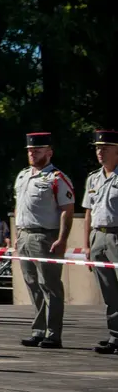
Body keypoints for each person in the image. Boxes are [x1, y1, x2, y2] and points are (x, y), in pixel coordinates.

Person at [14, 132, 75, 348]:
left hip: (45, 236)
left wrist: (62, 239)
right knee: (32, 284)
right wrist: (16, 235)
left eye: (37, 150)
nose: (32, 154)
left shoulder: (57, 178)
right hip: (24, 235)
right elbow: (19, 207)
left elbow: (67, 210)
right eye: (30, 150)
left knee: (50, 285)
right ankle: (39, 329)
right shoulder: (22, 176)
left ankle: (53, 333)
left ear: (49, 152)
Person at [83, 129, 118, 355]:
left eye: (105, 148)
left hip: (117, 235)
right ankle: (115, 335)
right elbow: (88, 212)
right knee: (109, 291)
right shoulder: (94, 178)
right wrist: (86, 244)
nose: (100, 152)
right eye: (97, 148)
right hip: (98, 235)